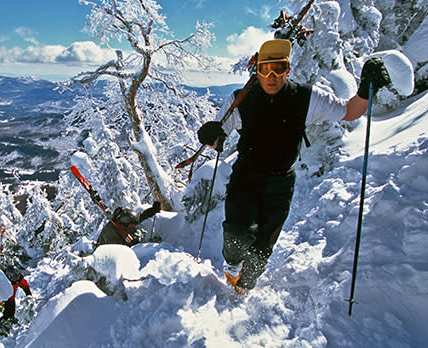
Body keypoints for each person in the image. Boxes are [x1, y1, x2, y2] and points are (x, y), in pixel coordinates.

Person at [197, 39, 391, 296]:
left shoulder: (306, 98)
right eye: (266, 69)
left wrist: (366, 91)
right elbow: (219, 135)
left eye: (279, 68)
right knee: (236, 232)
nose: (272, 76)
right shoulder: (240, 99)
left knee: (263, 246)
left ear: (288, 70)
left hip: (281, 182)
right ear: (257, 70)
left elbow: (348, 111)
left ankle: (244, 289)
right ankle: (232, 266)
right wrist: (211, 136)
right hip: (246, 176)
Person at [96, 201, 161, 247]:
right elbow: (119, 251)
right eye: (132, 225)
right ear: (125, 224)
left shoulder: (123, 223)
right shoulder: (111, 232)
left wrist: (153, 210)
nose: (133, 227)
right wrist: (132, 244)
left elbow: (141, 216)